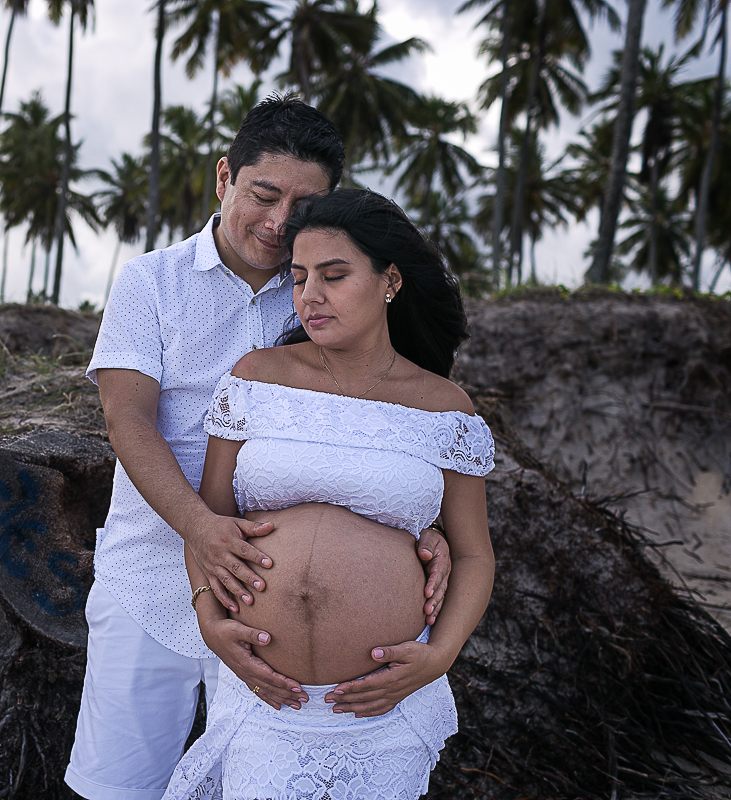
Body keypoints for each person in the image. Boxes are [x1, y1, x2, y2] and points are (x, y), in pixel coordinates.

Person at [67, 97, 455, 800]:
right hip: (148, 575)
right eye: (263, 195)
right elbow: (129, 422)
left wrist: (421, 527)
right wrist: (202, 530)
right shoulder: (149, 283)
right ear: (225, 179)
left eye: (301, 204)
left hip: (265, 607)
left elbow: (388, 418)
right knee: (117, 787)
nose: (278, 223)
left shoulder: (325, 290)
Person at [163, 188, 495, 799]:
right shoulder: (256, 377)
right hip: (263, 694)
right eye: (298, 277)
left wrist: (440, 655)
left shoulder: (444, 409)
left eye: (334, 276)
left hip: (381, 709)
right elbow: (211, 521)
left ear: (389, 280)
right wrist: (211, 621)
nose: (309, 295)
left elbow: (474, 554)